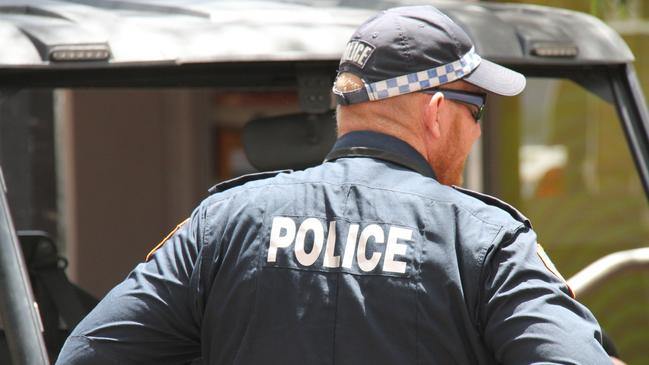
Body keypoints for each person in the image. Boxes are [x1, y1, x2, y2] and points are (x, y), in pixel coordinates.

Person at [57, 5, 613, 364]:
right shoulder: (485, 238)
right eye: (478, 110)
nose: (476, 129)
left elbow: (86, 354)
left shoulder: (224, 224)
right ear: (438, 112)